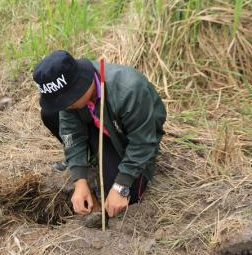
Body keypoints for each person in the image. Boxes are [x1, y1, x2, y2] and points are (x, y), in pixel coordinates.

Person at [33, 50, 166, 226]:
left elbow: (143, 143)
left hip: (128, 138)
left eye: (66, 101)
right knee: (50, 114)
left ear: (78, 86)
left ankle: (108, 165)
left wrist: (121, 186)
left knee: (125, 196)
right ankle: (91, 160)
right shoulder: (70, 99)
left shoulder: (129, 90)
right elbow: (71, 134)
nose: (64, 106)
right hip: (99, 124)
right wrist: (79, 179)